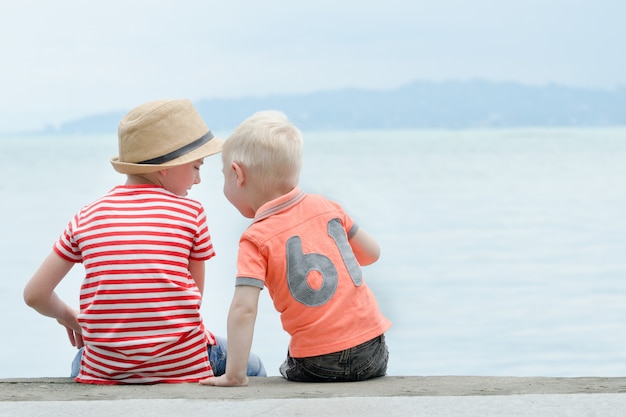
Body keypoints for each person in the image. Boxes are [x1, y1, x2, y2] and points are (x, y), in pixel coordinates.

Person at [23, 99, 266, 384]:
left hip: (105, 372)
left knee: (82, 361)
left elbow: (35, 294)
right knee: (253, 365)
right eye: (196, 167)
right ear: (165, 167)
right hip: (183, 367)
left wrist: (68, 317)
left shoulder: (87, 216)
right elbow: (192, 302)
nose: (198, 180)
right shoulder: (191, 213)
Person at [200, 110, 391, 387]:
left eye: (224, 176)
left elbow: (244, 309)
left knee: (290, 362)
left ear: (237, 174)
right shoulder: (328, 208)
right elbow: (371, 254)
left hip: (318, 363)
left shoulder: (256, 237)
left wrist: (234, 375)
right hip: (374, 353)